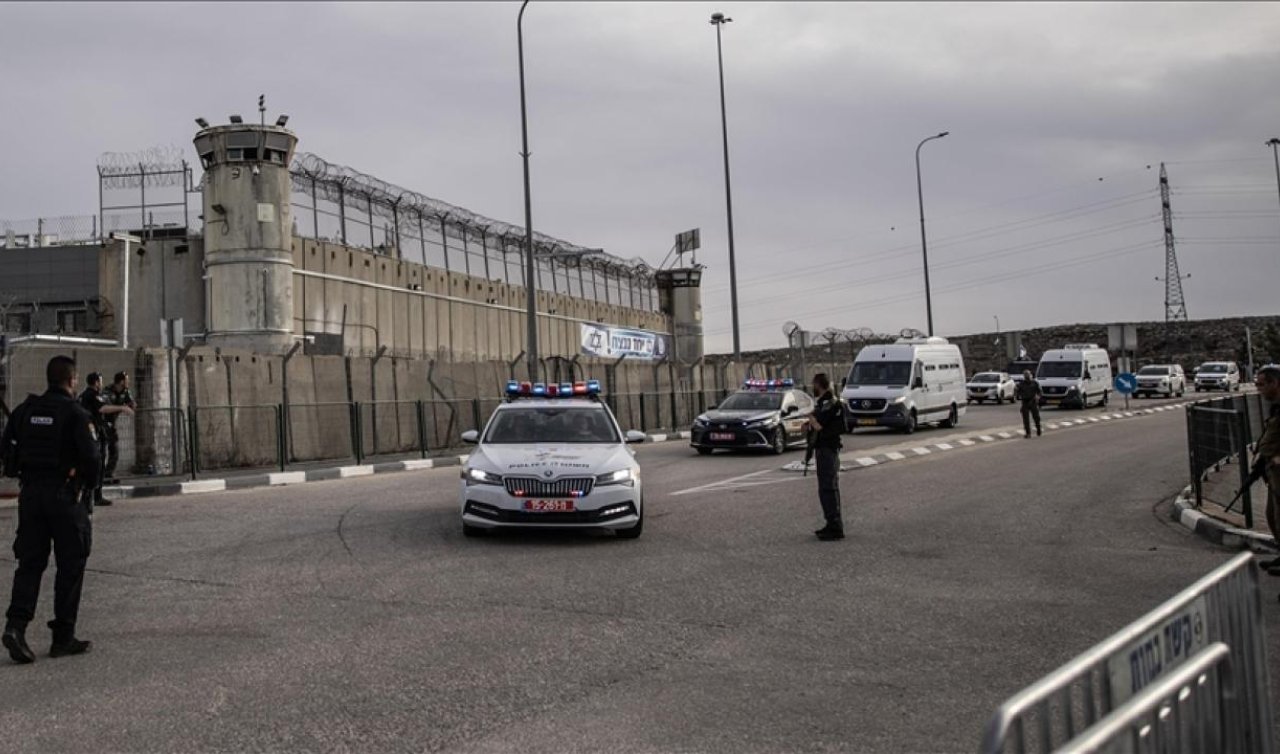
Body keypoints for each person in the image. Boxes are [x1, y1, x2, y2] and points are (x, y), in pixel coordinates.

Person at [2, 355, 100, 664]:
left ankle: (15, 628)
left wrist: (22, 470)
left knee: (30, 564)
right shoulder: (76, 414)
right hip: (65, 497)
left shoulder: (24, 411)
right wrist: (88, 489)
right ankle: (63, 637)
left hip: (31, 495)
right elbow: (92, 459)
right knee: (71, 565)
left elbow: (7, 450)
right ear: (72, 380)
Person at [801, 373, 844, 541]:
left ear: (819, 384)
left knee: (828, 488)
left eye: (814, 384)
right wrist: (807, 425)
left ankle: (835, 527)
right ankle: (831, 523)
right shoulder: (824, 403)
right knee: (826, 488)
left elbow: (820, 426)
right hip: (824, 449)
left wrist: (810, 418)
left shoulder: (830, 403)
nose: (813, 388)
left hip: (828, 450)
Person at [1251, 366, 1280, 574]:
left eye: (1261, 384)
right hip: (1272, 470)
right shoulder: (1276, 408)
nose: (1259, 389)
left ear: (1274, 383)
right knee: (1272, 516)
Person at [102, 370, 136, 484]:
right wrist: (122, 408)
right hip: (101, 423)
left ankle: (108, 474)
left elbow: (132, 403)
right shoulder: (107, 391)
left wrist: (132, 405)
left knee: (114, 451)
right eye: (127, 379)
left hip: (112, 424)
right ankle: (102, 476)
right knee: (101, 451)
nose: (129, 382)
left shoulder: (125, 391)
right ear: (121, 381)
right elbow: (105, 407)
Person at [1015, 369, 1042, 438]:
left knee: (1036, 417)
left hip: (1033, 401)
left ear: (1030, 375)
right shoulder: (1021, 384)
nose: (1027, 376)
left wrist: (1037, 397)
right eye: (1025, 375)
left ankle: (1038, 429)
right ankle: (1028, 433)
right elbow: (1017, 392)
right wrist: (1018, 394)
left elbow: (1039, 392)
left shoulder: (1034, 383)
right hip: (1025, 402)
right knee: (1026, 419)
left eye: (1028, 374)